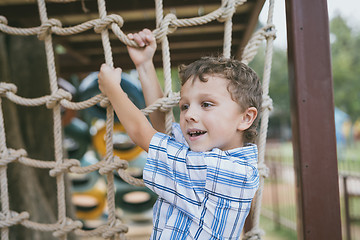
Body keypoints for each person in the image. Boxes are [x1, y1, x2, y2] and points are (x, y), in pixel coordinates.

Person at [98, 29, 262, 239]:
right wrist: (145, 65)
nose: (189, 114)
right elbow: (163, 130)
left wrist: (113, 90)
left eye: (206, 104)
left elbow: (143, 134)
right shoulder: (211, 157)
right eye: (184, 106)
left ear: (246, 118)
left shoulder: (224, 171)